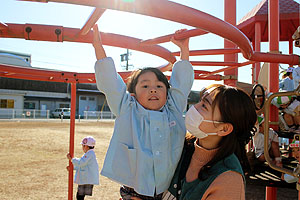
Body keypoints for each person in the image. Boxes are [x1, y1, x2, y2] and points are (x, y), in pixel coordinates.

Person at [92, 24, 194, 199]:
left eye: (159, 86)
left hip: (168, 189)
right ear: (133, 94)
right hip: (135, 190)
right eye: (145, 85)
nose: (153, 89)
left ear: (167, 92)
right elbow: (111, 84)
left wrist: (184, 50)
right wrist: (98, 47)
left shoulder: (173, 108)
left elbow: (181, 84)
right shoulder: (127, 108)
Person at [163, 84, 257, 200]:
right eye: (200, 101)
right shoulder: (182, 145)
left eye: (204, 106)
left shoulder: (229, 180)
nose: (194, 107)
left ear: (224, 129)